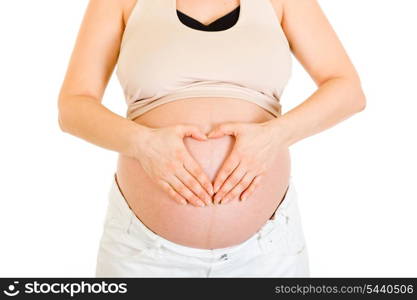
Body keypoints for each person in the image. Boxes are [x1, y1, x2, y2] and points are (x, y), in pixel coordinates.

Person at [57, 0, 366, 277]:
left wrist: (276, 135)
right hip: (144, 255)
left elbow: (347, 89)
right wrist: (143, 144)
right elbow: (73, 106)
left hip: (267, 254)